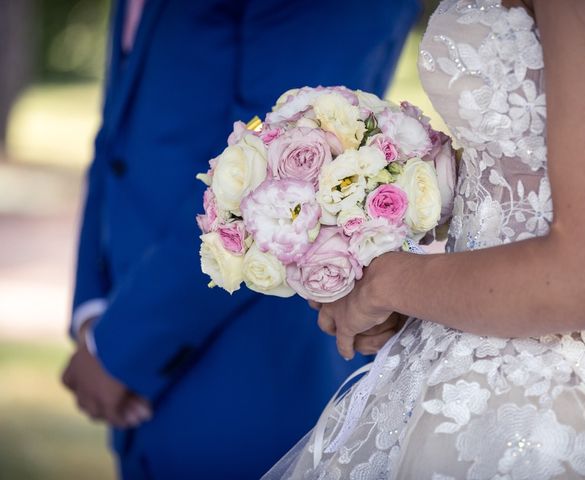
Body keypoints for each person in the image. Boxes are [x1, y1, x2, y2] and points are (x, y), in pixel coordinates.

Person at [264, 0, 585, 478]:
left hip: (554, 384)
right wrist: (377, 211)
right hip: (475, 331)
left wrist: (387, 282)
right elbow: (524, 167)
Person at [61, 0, 421, 478]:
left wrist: (123, 346)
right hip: (130, 338)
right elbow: (115, 142)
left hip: (249, 361)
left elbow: (275, 159)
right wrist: (92, 311)